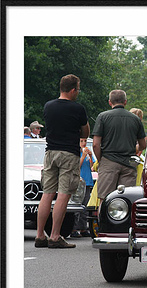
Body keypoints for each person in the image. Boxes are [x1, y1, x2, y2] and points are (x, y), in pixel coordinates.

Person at [35, 74, 90, 249]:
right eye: (78, 90)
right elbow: (85, 132)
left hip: (50, 152)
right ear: (73, 90)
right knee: (63, 194)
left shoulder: (48, 106)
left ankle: (39, 235)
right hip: (68, 153)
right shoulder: (77, 108)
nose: (78, 93)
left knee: (47, 193)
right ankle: (55, 236)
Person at [92, 89, 147, 203]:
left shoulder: (103, 117)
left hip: (108, 161)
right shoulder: (135, 119)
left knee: (105, 199)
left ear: (109, 102)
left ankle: (104, 221)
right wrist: (133, 148)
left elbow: (96, 144)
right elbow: (143, 145)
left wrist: (101, 160)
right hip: (129, 164)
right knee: (126, 200)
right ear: (125, 102)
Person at [70, 138, 95, 238]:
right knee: (77, 205)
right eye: (81, 141)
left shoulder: (87, 153)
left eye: (85, 141)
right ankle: (74, 228)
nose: (84, 143)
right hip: (78, 182)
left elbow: (92, 167)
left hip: (87, 182)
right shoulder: (76, 154)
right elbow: (76, 166)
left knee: (85, 205)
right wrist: (83, 156)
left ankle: (83, 227)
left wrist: (90, 156)